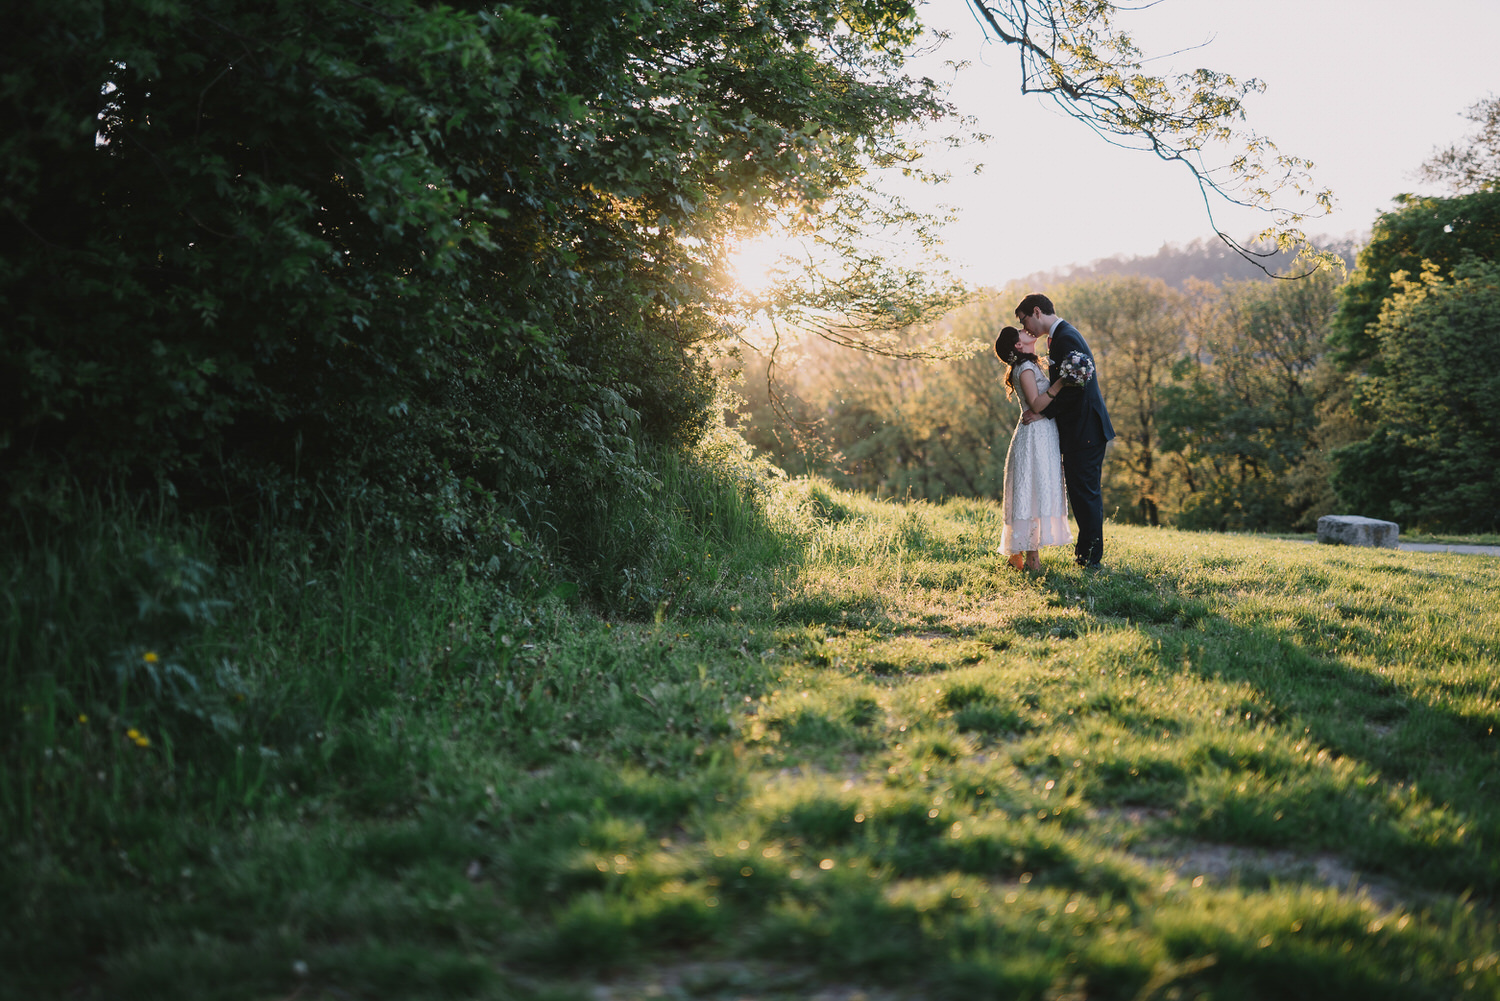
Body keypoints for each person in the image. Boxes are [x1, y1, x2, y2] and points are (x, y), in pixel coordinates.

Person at [1015, 293, 1115, 567]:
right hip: (1081, 429)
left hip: (1086, 429)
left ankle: (1090, 558)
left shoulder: (1065, 338)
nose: (1025, 329)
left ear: (1036, 311)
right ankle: (1088, 554)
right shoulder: (1059, 337)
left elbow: (1074, 388)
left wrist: (1041, 411)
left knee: (1085, 494)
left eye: (1024, 321)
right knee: (1083, 493)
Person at [994, 325, 1070, 572]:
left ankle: (1021, 554)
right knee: (1031, 493)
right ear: (1018, 345)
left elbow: (1038, 408)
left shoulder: (1029, 365)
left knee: (1034, 491)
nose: (1026, 330)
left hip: (1042, 432)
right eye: (1020, 331)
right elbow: (1037, 405)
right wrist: (1060, 383)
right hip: (1034, 436)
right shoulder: (1025, 368)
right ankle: (1031, 558)